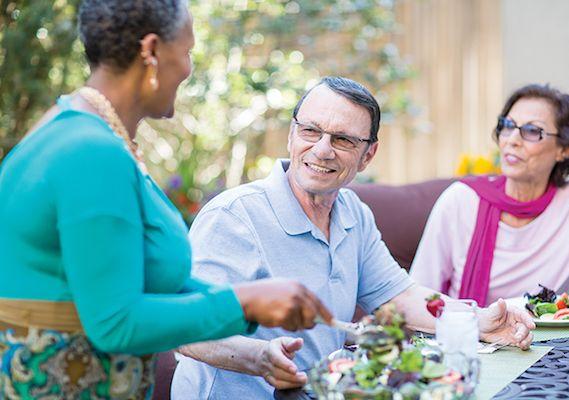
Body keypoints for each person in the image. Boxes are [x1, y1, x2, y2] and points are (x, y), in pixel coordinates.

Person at [0, 1, 331, 399]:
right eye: (187, 51)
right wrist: (243, 302)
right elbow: (116, 323)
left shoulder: (86, 132)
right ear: (152, 51)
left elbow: (155, 282)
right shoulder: (90, 153)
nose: (189, 68)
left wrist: (253, 316)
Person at [171, 76, 536, 399]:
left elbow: (399, 297)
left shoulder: (352, 213)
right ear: (291, 135)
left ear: (367, 156)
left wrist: (476, 321)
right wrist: (259, 357)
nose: (322, 149)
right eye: (310, 131)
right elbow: (187, 330)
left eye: (343, 139)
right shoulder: (233, 217)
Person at [410, 84, 569, 308]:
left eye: (532, 131)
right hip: (468, 339)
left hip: (547, 345)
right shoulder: (460, 201)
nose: (512, 139)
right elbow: (419, 294)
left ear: (564, 149)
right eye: (508, 125)